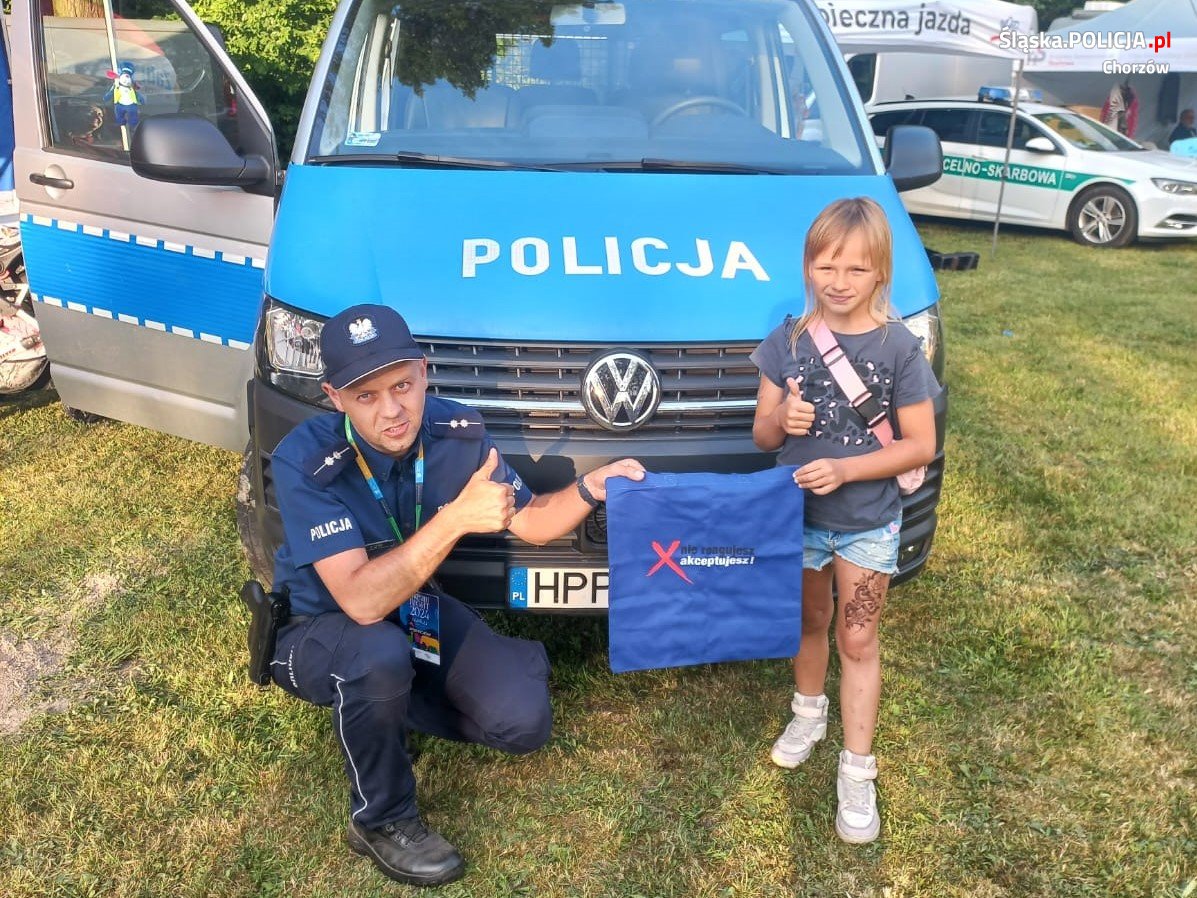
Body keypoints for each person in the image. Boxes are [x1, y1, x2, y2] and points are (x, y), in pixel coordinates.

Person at [266, 303, 645, 886]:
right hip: (321, 628)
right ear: (334, 397)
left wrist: (593, 486)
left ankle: (391, 708)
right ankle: (381, 820)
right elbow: (363, 604)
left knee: (523, 721)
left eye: (401, 386)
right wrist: (455, 520)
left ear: (424, 372)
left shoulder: (456, 432)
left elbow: (535, 523)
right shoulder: (305, 459)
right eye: (365, 396)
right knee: (376, 655)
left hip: (412, 610)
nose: (392, 410)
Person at [749, 197, 937, 845]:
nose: (837, 281)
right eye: (825, 265)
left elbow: (918, 445)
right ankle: (809, 715)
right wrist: (783, 421)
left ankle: (857, 770)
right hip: (796, 519)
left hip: (865, 521)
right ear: (806, 266)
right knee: (809, 622)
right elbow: (761, 435)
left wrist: (847, 470)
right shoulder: (786, 341)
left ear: (880, 273)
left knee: (857, 640)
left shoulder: (898, 347)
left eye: (855, 270)